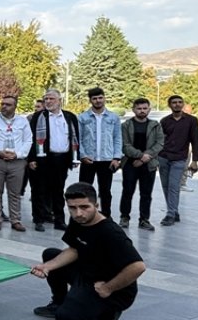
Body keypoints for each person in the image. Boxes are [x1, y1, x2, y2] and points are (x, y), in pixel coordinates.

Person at [30, 182, 146, 320]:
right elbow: (75, 249)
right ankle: (59, 301)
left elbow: (138, 267)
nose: (78, 213)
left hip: (111, 287)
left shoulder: (110, 232)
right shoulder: (79, 220)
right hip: (88, 272)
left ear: (96, 205)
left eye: (84, 207)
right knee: (50, 255)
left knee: (66, 319)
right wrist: (47, 267)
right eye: (72, 208)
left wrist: (108, 288)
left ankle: (108, 314)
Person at [28, 90, 80, 232]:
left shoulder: (69, 116)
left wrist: (75, 157)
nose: (48, 101)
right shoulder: (39, 116)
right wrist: (31, 158)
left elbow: (75, 137)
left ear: (59, 100)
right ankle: (38, 219)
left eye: (51, 98)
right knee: (39, 190)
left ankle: (59, 220)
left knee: (58, 191)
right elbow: (31, 138)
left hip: (62, 159)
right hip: (43, 158)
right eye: (46, 99)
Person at [0, 95, 32, 232]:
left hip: (16, 162)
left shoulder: (22, 122)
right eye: (2, 104)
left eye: (8, 104)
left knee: (15, 193)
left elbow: (28, 140)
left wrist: (18, 154)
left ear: (15, 107)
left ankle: (15, 220)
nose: (4, 106)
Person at [119, 98, 164, 231]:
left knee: (146, 193)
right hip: (130, 163)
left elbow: (160, 143)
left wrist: (146, 157)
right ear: (133, 110)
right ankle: (124, 217)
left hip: (149, 164)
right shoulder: (126, 125)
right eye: (139, 108)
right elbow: (125, 145)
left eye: (145, 108)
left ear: (149, 109)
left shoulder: (155, 125)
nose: (142, 111)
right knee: (127, 191)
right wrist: (140, 155)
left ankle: (144, 219)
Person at [77, 87, 123, 217]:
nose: (98, 101)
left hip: (106, 159)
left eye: (100, 98)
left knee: (105, 191)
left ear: (104, 98)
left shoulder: (113, 118)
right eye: (95, 98)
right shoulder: (82, 117)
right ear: (90, 100)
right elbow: (78, 139)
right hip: (88, 159)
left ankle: (106, 216)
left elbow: (117, 138)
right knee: (84, 190)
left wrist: (116, 157)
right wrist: (82, 155)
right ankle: (84, 215)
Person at [157, 95, 198, 226]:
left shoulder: (191, 120)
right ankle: (173, 211)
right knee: (165, 186)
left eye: (180, 102)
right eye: (174, 102)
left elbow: (195, 141)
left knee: (174, 186)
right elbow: (159, 140)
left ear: (183, 104)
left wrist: (195, 160)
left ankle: (170, 214)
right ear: (170, 105)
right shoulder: (164, 121)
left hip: (180, 158)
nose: (177, 104)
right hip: (163, 157)